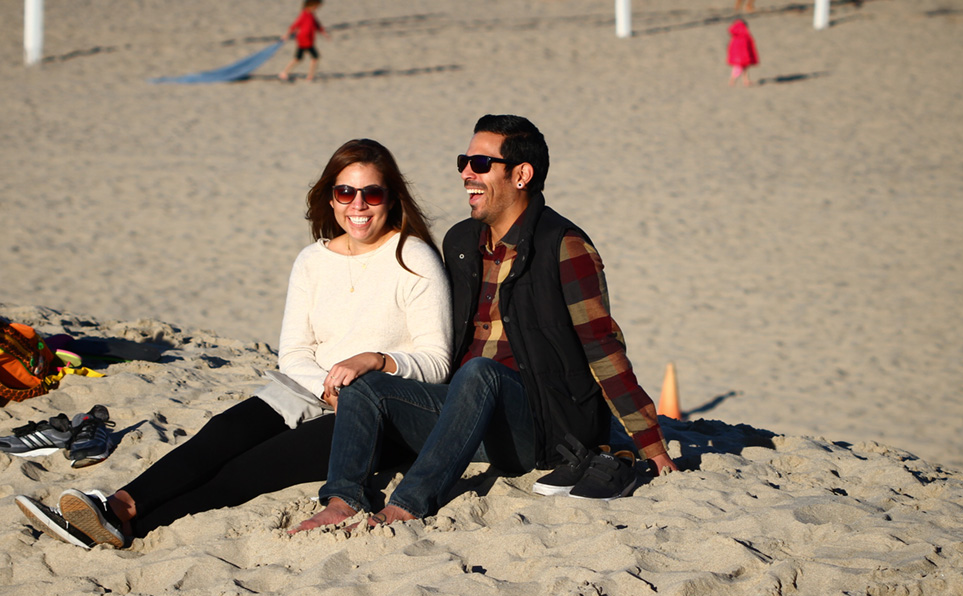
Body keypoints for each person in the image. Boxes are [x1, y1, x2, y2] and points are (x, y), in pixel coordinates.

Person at [15, 139, 452, 549]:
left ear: (391, 197)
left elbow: (437, 363)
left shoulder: (413, 257)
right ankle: (117, 507)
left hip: (380, 411)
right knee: (222, 435)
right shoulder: (313, 261)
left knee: (253, 469)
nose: (358, 205)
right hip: (306, 391)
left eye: (371, 194)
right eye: (345, 192)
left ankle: (131, 528)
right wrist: (327, 388)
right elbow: (294, 352)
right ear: (330, 197)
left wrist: (372, 362)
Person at [291, 114, 677, 532]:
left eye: (479, 164)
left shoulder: (565, 247)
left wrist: (648, 440)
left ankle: (409, 503)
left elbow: (602, 345)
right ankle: (342, 499)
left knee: (480, 373)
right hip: (462, 416)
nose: (465, 173)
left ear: (521, 175)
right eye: (464, 161)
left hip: (540, 426)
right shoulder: (461, 242)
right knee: (364, 384)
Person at [278, 0, 327, 83]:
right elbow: (295, 25)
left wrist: (323, 32)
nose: (316, 9)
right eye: (316, 7)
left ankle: (307, 76)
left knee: (299, 58)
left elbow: (316, 24)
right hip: (304, 41)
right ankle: (309, 76)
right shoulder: (304, 15)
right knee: (313, 58)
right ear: (310, 6)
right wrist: (287, 35)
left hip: (307, 41)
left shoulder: (311, 15)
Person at [727, 18, 759, 88]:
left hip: (738, 56)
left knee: (739, 68)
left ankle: (740, 80)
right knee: (741, 68)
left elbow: (731, 47)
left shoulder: (735, 36)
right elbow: (749, 46)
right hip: (743, 56)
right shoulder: (745, 36)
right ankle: (737, 81)